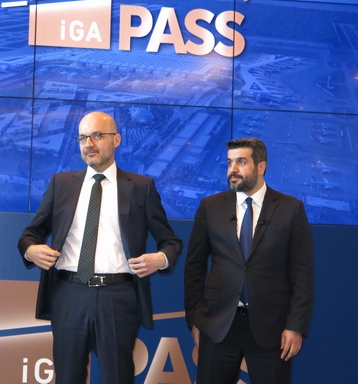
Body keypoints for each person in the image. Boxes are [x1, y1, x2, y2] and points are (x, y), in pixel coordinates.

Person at [18, 111, 182, 384]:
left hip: (117, 297)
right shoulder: (61, 184)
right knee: (67, 378)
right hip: (69, 294)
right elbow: (30, 234)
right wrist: (31, 250)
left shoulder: (141, 188)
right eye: (83, 138)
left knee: (117, 377)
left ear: (116, 140)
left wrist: (161, 258)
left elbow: (171, 242)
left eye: (97, 136)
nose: (89, 144)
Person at [184, 137, 314, 384]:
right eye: (229, 163)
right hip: (218, 326)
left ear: (261, 167)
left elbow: (302, 273)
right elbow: (194, 268)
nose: (232, 169)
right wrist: (195, 319)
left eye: (241, 162)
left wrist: (296, 325)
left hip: (272, 329)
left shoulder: (290, 209)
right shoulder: (210, 207)